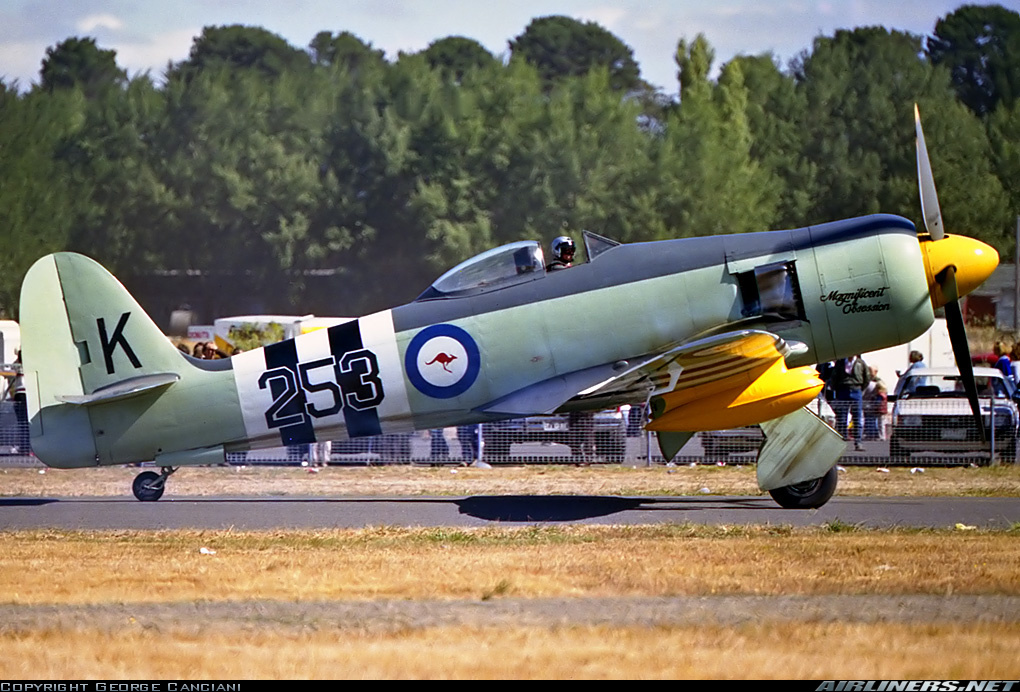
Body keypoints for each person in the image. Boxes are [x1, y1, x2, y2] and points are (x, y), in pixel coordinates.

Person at [828, 355, 870, 451]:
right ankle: (842, 441)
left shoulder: (861, 363)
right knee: (842, 418)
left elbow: (867, 377)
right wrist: (836, 389)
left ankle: (858, 442)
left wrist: (860, 389)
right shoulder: (840, 362)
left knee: (857, 418)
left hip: (856, 390)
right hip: (843, 390)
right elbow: (834, 376)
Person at [862, 367, 888, 441]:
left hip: (873, 406)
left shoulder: (873, 383)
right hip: (878, 408)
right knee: (878, 422)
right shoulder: (880, 385)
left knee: (872, 421)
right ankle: (878, 435)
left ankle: (874, 434)